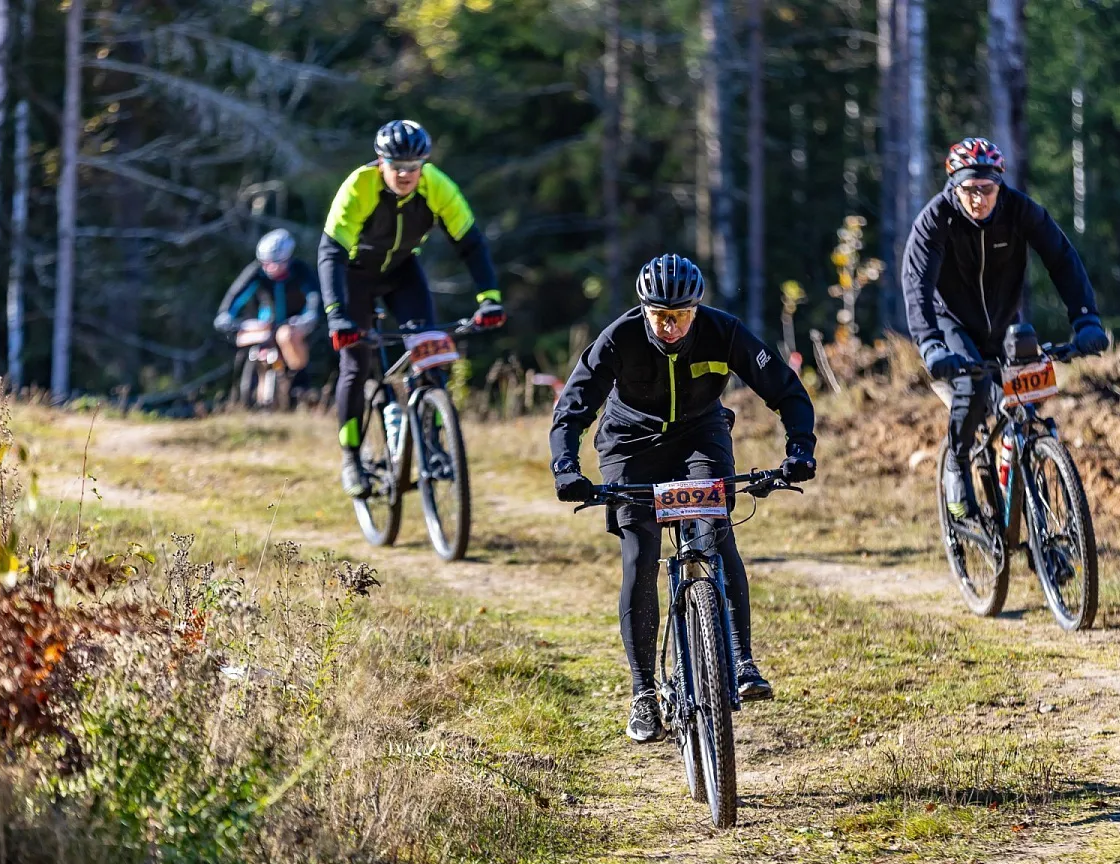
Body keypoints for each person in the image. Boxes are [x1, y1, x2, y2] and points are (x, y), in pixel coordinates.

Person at [549, 254, 817, 743]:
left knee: (715, 533)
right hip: (630, 444)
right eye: (660, 316)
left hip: (700, 434)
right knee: (641, 553)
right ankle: (643, 694)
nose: (671, 326)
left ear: (696, 309)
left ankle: (741, 661)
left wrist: (799, 447)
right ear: (644, 310)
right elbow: (572, 409)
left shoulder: (723, 332)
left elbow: (786, 390)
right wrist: (566, 467)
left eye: (681, 315)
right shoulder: (619, 338)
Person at [903, 137, 1109, 528]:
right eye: (969, 189)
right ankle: (957, 463)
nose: (978, 198)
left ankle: (1034, 514)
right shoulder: (936, 220)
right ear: (954, 186)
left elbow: (1062, 259)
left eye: (987, 189)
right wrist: (929, 343)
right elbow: (917, 285)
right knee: (975, 386)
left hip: (1004, 323)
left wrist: (1085, 319)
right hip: (952, 323)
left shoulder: (1019, 210)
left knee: (1023, 408)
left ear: (1000, 184)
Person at [318, 119, 506, 498]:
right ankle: (351, 457)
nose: (405, 175)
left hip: (402, 273)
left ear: (424, 164)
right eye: (396, 166)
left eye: (413, 166)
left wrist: (489, 297)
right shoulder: (359, 186)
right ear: (380, 162)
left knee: (430, 353)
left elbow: (471, 243)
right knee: (355, 366)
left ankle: (433, 444)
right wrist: (336, 315)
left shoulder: (436, 185)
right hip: (355, 276)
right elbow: (331, 252)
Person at [213, 228, 321, 395]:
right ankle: (245, 388)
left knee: (286, 336)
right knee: (244, 337)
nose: (269, 267)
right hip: (265, 323)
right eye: (264, 263)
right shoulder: (256, 271)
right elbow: (236, 294)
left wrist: (309, 316)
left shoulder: (300, 270)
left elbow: (313, 296)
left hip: (292, 323)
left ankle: (298, 384)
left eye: (275, 262)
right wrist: (225, 315)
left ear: (287, 259)